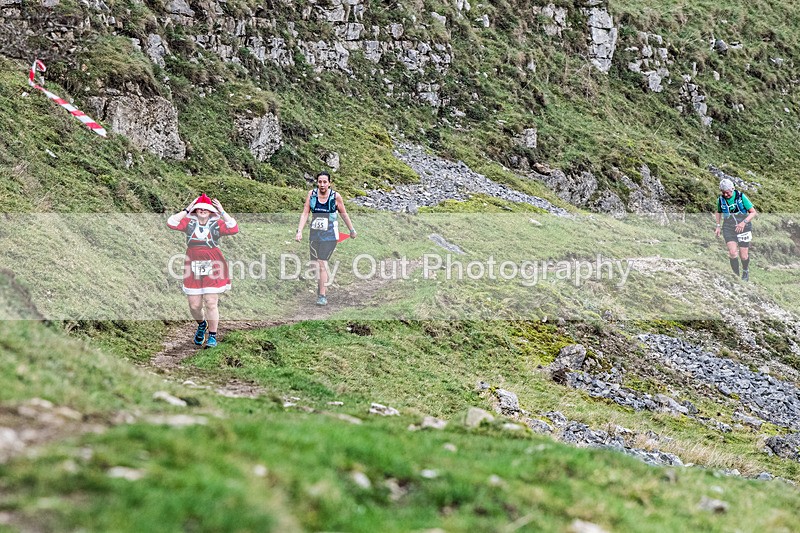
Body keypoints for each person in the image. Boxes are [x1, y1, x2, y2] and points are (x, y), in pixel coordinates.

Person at [167, 193, 239, 347]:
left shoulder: (217, 224)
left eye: (206, 209)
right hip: (192, 263)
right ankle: (202, 324)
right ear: (195, 210)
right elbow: (171, 222)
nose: (202, 211)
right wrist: (187, 209)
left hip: (213, 263)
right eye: (199, 209)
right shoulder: (189, 223)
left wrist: (222, 211)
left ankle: (212, 336)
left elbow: (234, 228)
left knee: (210, 302)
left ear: (211, 211)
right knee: (194, 305)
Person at [295, 171, 357, 305]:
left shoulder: (335, 197)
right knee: (315, 265)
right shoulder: (311, 195)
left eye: (325, 182)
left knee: (322, 263)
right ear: (317, 182)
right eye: (320, 182)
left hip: (330, 235)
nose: (322, 185)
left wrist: (351, 230)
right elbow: (305, 213)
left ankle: (322, 295)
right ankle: (321, 286)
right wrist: (299, 231)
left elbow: (344, 214)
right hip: (314, 234)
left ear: (329, 183)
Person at [714, 178, 757, 281]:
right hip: (729, 227)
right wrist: (718, 226)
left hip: (744, 227)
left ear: (732, 189)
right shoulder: (720, 200)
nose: (725, 195)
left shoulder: (741, 197)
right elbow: (718, 211)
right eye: (723, 193)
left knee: (743, 255)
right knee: (733, 253)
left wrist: (743, 223)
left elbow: (753, 212)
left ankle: (745, 271)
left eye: (727, 193)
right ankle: (736, 276)